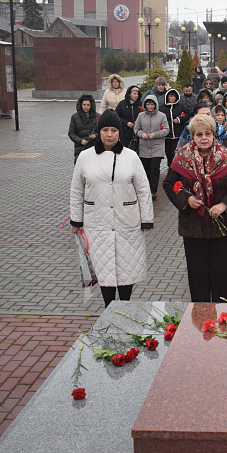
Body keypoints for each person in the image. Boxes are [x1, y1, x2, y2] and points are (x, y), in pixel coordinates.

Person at [69, 110, 153, 307]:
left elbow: (143, 189)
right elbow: (76, 190)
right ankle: (109, 308)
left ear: (119, 131)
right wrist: (76, 220)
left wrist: (146, 218)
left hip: (127, 221)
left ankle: (124, 305)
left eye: (114, 130)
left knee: (127, 266)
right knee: (104, 266)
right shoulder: (85, 157)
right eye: (105, 130)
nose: (109, 134)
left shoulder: (131, 156)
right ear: (99, 131)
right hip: (97, 222)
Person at [163, 114, 227, 303]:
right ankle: (199, 320)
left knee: (222, 278)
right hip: (193, 227)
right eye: (199, 134)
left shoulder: (225, 156)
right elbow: (169, 184)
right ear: (192, 136)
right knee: (197, 277)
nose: (203, 138)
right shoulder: (182, 157)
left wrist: (224, 205)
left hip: (222, 228)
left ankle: (223, 319)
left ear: (213, 135)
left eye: (208, 133)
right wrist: (187, 199)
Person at [134, 95, 169, 200]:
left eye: (152, 104)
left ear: (155, 104)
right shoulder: (141, 116)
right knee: (146, 169)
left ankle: (153, 190)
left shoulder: (161, 116)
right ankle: (147, 189)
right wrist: (141, 134)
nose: (150, 106)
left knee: (154, 168)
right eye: (148, 104)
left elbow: (166, 130)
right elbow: (136, 129)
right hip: (144, 146)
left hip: (157, 146)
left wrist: (155, 134)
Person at [68, 95, 100, 163]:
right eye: (84, 105)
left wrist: (96, 136)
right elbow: (71, 133)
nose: (86, 107)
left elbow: (102, 132)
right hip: (80, 149)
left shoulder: (97, 116)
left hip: (94, 148)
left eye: (88, 105)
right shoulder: (75, 117)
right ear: (80, 105)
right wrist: (80, 140)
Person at [160, 88, 183, 169]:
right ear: (167, 97)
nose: (173, 98)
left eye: (174, 96)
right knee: (168, 153)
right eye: (171, 96)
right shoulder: (162, 107)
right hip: (167, 135)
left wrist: (179, 119)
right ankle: (170, 168)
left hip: (177, 134)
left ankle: (176, 168)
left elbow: (186, 114)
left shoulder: (180, 106)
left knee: (175, 153)